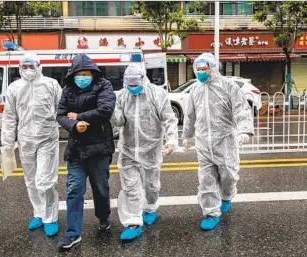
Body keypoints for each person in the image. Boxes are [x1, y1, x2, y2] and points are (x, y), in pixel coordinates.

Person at [182, 53, 254, 231]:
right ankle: (210, 212)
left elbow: (241, 109)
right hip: (204, 142)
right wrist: (186, 135)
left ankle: (227, 195)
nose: (200, 72)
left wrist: (244, 130)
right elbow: (190, 115)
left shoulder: (228, 86)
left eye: (204, 69)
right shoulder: (195, 90)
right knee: (206, 179)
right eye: (197, 69)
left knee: (228, 175)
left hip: (225, 141)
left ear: (212, 68)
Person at [111, 63, 178, 241]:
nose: (132, 86)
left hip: (151, 149)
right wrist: (111, 110)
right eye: (129, 82)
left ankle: (150, 207)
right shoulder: (122, 96)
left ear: (143, 78)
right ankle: (133, 222)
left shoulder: (157, 94)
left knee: (151, 186)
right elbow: (118, 122)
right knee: (130, 188)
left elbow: (168, 119)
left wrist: (171, 140)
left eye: (135, 82)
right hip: (128, 150)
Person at [56, 54, 116, 250]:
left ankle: (104, 216)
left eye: (86, 73)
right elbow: (60, 114)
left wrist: (81, 117)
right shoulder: (68, 89)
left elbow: (106, 110)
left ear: (93, 73)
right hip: (76, 149)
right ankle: (73, 233)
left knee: (100, 189)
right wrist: (73, 125)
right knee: (74, 190)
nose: (82, 77)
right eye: (79, 74)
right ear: (73, 74)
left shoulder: (103, 86)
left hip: (99, 148)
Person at [1, 52, 62, 237]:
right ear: (20, 68)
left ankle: (50, 217)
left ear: (39, 66)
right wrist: (7, 142)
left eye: (31, 66)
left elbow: (62, 108)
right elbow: (10, 116)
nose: (28, 70)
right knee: (31, 181)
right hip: (25, 139)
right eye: (24, 67)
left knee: (45, 180)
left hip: (47, 139)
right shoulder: (14, 88)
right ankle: (39, 213)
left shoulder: (51, 84)